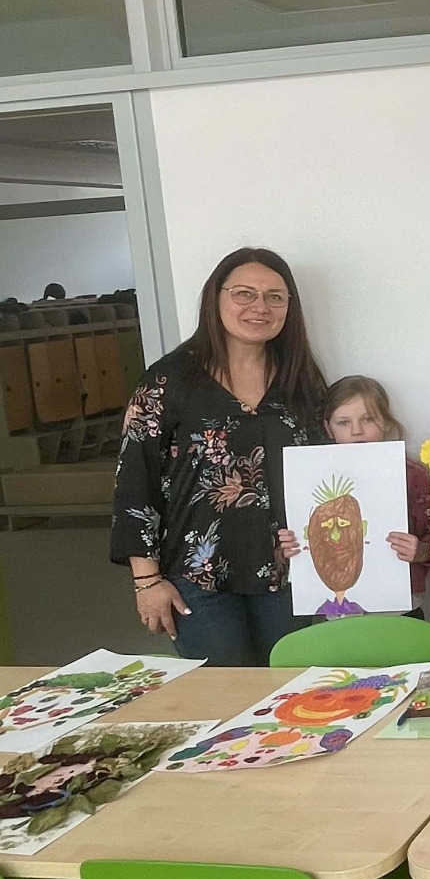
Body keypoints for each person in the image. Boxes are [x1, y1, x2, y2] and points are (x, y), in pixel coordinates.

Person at [110, 247, 326, 666]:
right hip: (196, 577)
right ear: (216, 298)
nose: (260, 307)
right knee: (226, 695)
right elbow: (135, 482)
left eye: (275, 297)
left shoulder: (301, 381)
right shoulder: (169, 379)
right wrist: (147, 581)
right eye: (244, 293)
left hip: (287, 572)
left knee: (289, 690)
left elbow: (328, 470)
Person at [276, 375, 430, 618]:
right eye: (343, 422)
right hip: (337, 616)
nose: (356, 431)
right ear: (328, 428)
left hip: (400, 610)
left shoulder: (411, 475)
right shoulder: (308, 478)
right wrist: (290, 548)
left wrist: (421, 551)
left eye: (368, 419)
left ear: (386, 421)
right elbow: (296, 544)